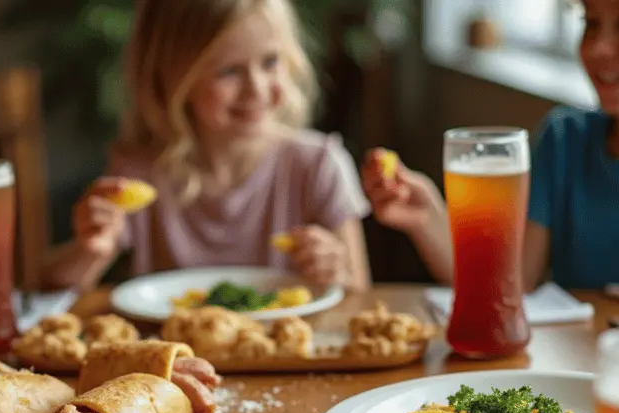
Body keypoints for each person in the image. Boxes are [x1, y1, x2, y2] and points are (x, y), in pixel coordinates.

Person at [45, 0, 373, 291]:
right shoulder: (141, 172)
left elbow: (361, 294)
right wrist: (89, 250)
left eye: (271, 62)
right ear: (172, 78)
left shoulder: (318, 165)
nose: (257, 89)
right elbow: (49, 287)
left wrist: (337, 272)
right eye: (228, 71)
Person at [362, 0, 619, 290]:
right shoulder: (564, 140)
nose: (599, 48)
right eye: (591, 23)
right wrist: (428, 219)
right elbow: (506, 288)